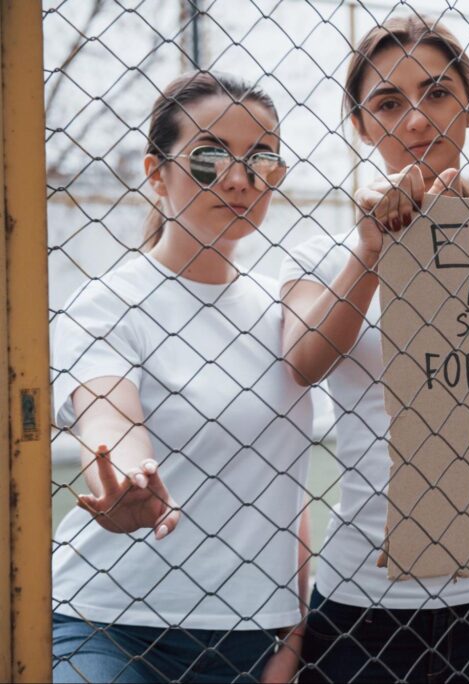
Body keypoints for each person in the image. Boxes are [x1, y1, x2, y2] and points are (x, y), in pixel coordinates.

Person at [279, 16, 469, 683]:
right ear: (361, 125)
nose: (415, 118)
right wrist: (371, 253)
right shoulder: (320, 254)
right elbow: (303, 360)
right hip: (364, 604)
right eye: (388, 102)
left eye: (435, 93)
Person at [51, 71, 312, 683]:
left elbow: (288, 485)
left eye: (262, 159)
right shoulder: (108, 301)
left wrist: (294, 637)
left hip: (250, 639)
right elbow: (109, 416)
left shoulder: (286, 312)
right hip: (108, 625)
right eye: (209, 157)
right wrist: (123, 479)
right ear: (154, 170)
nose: (240, 179)